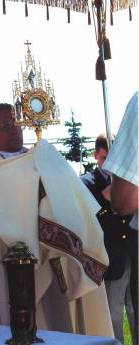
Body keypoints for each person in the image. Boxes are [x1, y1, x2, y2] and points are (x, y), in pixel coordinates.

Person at [0, 103, 114, 337]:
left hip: (50, 253)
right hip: (4, 254)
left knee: (55, 320)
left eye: (18, 124)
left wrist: (50, 165)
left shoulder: (39, 157)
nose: (15, 129)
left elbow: (69, 190)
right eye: (6, 125)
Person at [81, 134, 137, 344]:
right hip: (109, 258)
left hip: (133, 252)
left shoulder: (130, 182)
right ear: (96, 155)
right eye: (105, 158)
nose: (110, 164)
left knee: (135, 310)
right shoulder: (88, 183)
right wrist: (105, 201)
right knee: (113, 314)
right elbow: (87, 219)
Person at [103, 90, 138, 344]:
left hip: (128, 248)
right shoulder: (89, 182)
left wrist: (117, 191)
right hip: (115, 255)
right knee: (116, 312)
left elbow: (126, 200)